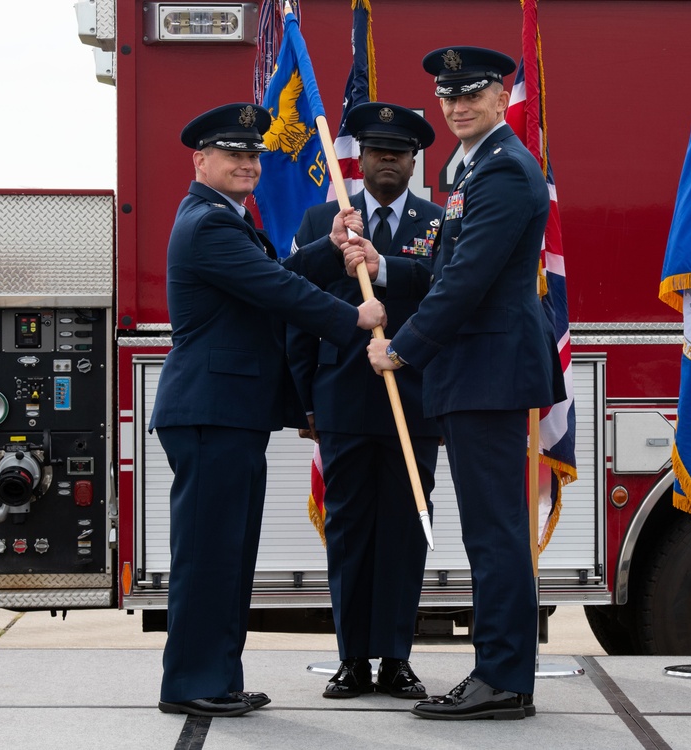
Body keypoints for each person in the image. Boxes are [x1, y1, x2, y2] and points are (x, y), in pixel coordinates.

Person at [150, 102, 386, 718]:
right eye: (232, 154)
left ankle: (218, 677)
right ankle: (193, 682)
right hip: (212, 410)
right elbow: (275, 289)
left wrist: (324, 246)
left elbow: (269, 271)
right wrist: (350, 318)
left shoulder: (221, 218)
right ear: (200, 160)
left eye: (253, 154)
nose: (247, 163)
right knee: (208, 554)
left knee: (227, 552)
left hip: (227, 411)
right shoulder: (209, 223)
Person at [363, 46, 565, 721]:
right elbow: (448, 268)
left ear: (500, 92)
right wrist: (383, 266)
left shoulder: (504, 171)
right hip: (478, 372)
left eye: (471, 93)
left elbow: (469, 282)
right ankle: (498, 672)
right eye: (447, 96)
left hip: (489, 372)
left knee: (495, 532)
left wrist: (403, 349)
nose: (456, 106)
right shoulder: (475, 168)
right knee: (490, 529)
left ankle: (503, 679)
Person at [283, 102, 442, 700]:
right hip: (342, 398)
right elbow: (299, 310)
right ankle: (352, 659)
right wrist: (305, 405)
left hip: (416, 401)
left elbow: (446, 300)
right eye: (377, 151)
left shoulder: (436, 222)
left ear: (413, 161)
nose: (387, 161)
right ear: (360, 158)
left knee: (405, 531)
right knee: (348, 531)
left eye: (398, 153)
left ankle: (396, 658)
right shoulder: (326, 219)